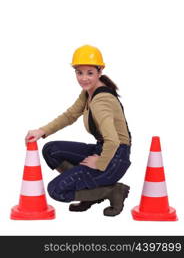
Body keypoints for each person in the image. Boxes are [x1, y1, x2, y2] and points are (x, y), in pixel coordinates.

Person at [25, 45, 132, 217]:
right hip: (102, 148)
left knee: (56, 190)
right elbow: (70, 115)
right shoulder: (89, 93)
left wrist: (100, 163)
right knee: (51, 150)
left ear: (100, 71)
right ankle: (88, 186)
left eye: (90, 73)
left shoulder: (101, 101)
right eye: (79, 72)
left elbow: (113, 140)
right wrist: (42, 131)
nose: (83, 78)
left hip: (114, 159)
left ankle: (110, 191)